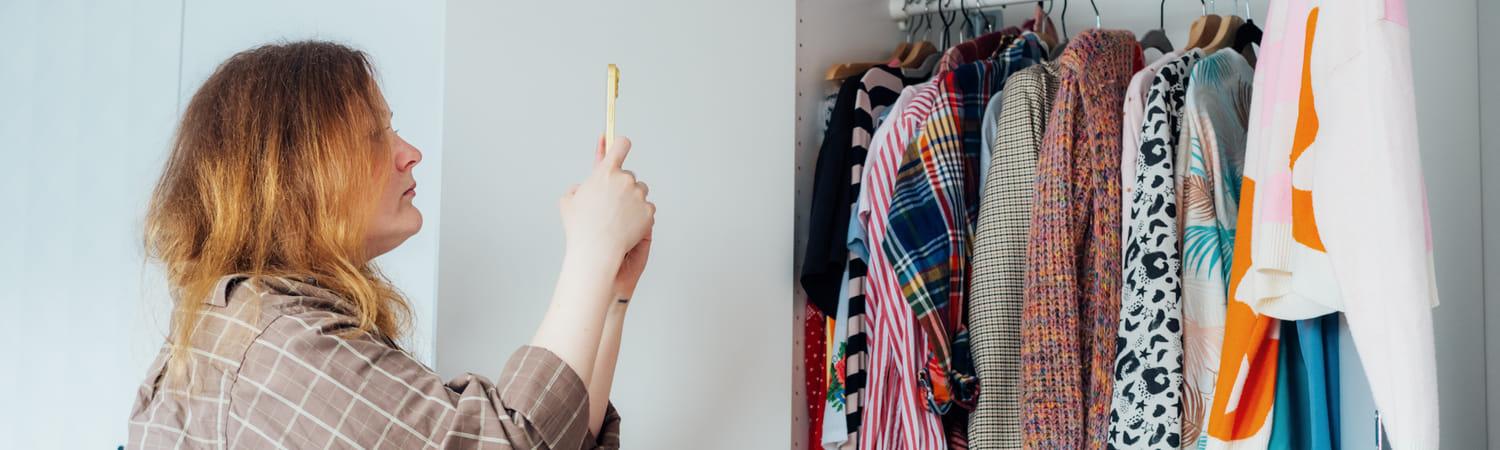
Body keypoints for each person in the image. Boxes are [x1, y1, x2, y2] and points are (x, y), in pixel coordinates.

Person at [127, 41, 654, 449]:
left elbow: (552, 437)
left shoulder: (258, 327)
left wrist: (609, 297)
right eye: (376, 136)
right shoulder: (276, 348)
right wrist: (590, 253)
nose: (411, 153)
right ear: (295, 175)